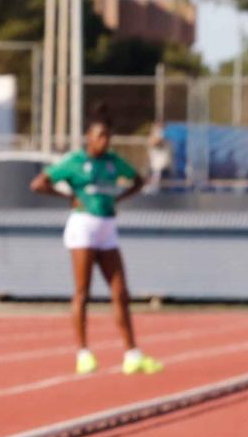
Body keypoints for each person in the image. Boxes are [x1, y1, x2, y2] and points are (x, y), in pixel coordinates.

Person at [30, 117, 164, 376]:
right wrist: (69, 196)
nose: (104, 141)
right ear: (89, 137)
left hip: (107, 228)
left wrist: (119, 198)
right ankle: (83, 352)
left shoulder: (113, 162)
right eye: (100, 136)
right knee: (83, 291)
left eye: (108, 136)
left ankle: (132, 354)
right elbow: (38, 183)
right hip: (83, 227)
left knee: (120, 291)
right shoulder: (75, 162)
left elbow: (137, 180)